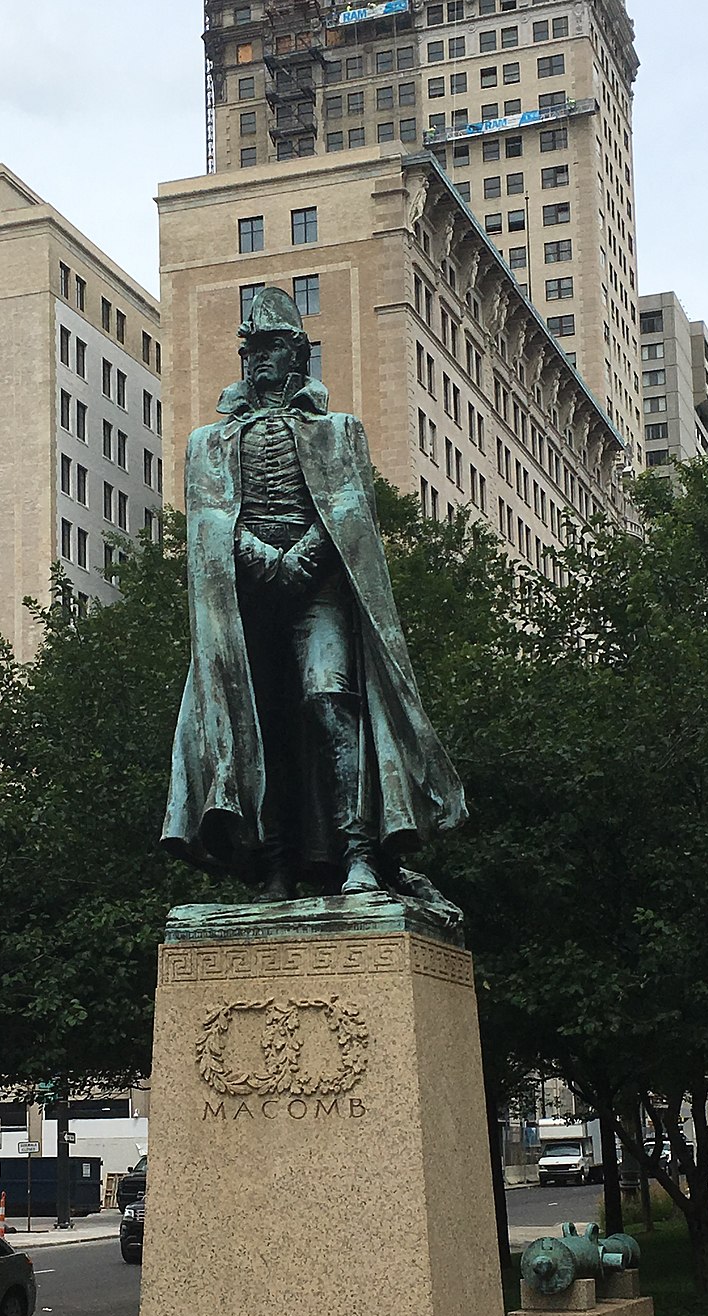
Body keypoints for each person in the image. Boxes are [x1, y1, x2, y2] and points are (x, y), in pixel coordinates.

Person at [162, 287, 465, 912]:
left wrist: (299, 557)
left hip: (318, 588)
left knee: (329, 701)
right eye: (250, 349)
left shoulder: (338, 432)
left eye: (271, 345)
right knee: (260, 722)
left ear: (298, 352)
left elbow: (350, 516)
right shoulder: (207, 443)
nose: (257, 359)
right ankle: (275, 866)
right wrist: (261, 556)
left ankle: (358, 851)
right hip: (248, 597)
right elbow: (208, 521)